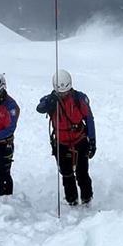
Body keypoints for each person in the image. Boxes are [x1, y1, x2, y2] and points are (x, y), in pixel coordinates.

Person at [37, 70, 96, 207]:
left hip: (79, 140)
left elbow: (89, 119)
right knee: (66, 174)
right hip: (61, 143)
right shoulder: (51, 99)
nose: (63, 94)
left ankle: (87, 199)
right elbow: (39, 108)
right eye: (60, 92)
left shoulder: (79, 98)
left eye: (65, 92)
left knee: (82, 173)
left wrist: (92, 141)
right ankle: (72, 200)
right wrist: (50, 102)